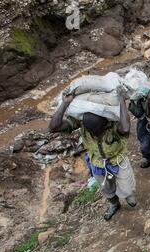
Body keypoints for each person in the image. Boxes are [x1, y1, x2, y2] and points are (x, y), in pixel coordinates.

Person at [48, 86, 136, 221]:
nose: (95, 134)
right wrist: (65, 103)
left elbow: (125, 127)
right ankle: (114, 204)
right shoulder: (82, 123)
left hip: (117, 160)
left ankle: (128, 195)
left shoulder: (113, 123)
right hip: (97, 162)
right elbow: (53, 127)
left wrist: (122, 100)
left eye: (98, 130)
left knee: (127, 185)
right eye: (92, 132)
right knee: (106, 189)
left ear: (105, 122)